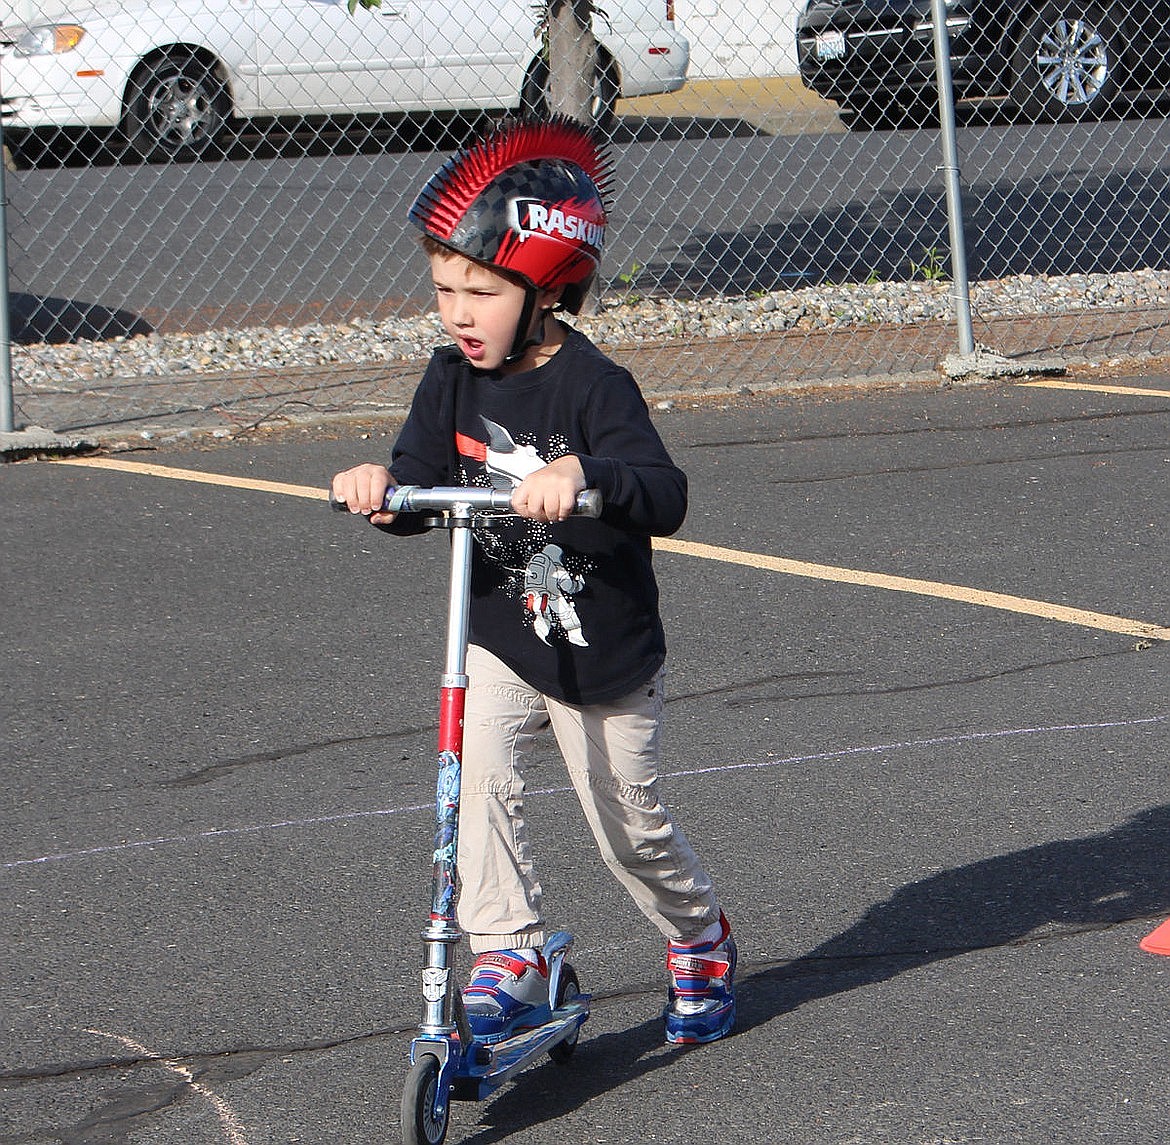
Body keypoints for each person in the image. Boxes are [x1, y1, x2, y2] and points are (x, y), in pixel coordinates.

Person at [331, 115, 735, 1046]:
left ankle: (699, 935)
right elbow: (417, 481)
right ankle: (511, 951)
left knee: (627, 830)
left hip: (604, 656)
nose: (458, 312)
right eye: (444, 288)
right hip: (500, 638)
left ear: (547, 289)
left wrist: (583, 475)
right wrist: (380, 492)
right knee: (474, 782)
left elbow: (664, 493)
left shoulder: (594, 388)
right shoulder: (450, 381)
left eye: (482, 289)